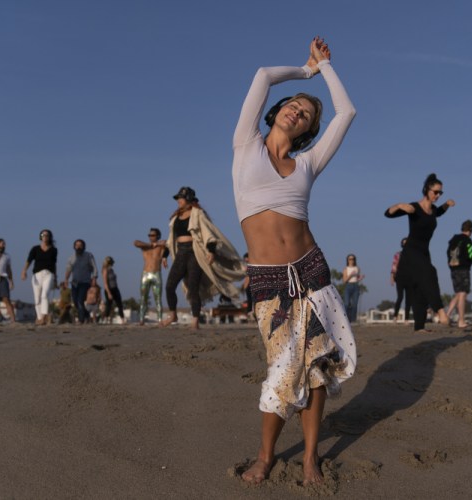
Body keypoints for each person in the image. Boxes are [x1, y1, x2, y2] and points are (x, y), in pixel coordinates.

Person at [233, 37, 357, 485]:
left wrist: (328, 71)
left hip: (312, 270)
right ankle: (265, 457)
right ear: (277, 111)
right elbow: (264, 76)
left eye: (305, 114)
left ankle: (309, 459)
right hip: (268, 281)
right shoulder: (245, 145)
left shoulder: (307, 163)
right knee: (283, 368)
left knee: (318, 369)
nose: (297, 111)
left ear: (306, 131)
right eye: (293, 106)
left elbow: (347, 114)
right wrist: (307, 70)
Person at [163, 186, 246, 330]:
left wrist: (211, 251)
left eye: (180, 198)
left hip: (195, 253)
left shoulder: (198, 214)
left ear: (188, 199)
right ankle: (173, 314)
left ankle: (195, 320)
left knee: (193, 288)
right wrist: (164, 255)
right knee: (170, 286)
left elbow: (209, 234)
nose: (178, 201)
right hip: (180, 253)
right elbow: (170, 239)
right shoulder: (175, 217)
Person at [385, 173, 454, 332]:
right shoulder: (414, 208)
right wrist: (400, 205)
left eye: (440, 193)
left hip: (424, 252)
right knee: (431, 272)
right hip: (410, 251)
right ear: (426, 190)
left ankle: (419, 326)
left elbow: (439, 213)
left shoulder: (434, 209)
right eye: (435, 192)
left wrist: (447, 204)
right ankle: (440, 311)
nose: (438, 195)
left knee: (420, 288)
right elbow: (388, 214)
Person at [445, 220, 472, 328]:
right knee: (463, 293)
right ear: (470, 230)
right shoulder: (468, 240)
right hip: (463, 268)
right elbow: (470, 254)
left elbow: (448, 253)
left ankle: (447, 316)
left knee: (458, 293)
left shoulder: (453, 239)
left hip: (453, 268)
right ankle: (461, 321)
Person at [21, 229, 58, 325]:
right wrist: (24, 271)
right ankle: (39, 317)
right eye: (43, 235)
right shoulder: (35, 249)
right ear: (40, 236)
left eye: (47, 235)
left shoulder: (54, 250)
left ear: (50, 237)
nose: (45, 236)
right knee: (37, 298)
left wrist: (55, 278)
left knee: (44, 295)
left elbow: (54, 264)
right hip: (37, 275)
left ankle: (44, 316)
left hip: (49, 274)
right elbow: (29, 260)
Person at [134, 228, 166, 325]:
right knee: (143, 298)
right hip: (146, 273)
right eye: (149, 235)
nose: (150, 237)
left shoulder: (160, 246)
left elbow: (168, 242)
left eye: (153, 235)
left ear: (157, 236)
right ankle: (141, 319)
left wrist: (157, 244)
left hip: (156, 273)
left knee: (158, 298)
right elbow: (136, 243)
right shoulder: (145, 246)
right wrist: (150, 245)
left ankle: (160, 319)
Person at [64, 239, 98, 324]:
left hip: (85, 282)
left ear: (83, 246)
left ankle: (81, 320)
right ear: (74, 247)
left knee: (80, 300)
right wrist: (66, 280)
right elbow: (68, 270)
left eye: (80, 245)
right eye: (77, 245)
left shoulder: (88, 256)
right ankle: (86, 315)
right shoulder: (71, 258)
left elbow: (94, 268)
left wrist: (94, 278)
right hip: (74, 282)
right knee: (75, 301)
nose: (78, 247)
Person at [390, 238, 411, 322]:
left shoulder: (414, 255)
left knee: (409, 299)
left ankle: (406, 318)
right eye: (404, 243)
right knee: (400, 297)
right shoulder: (398, 254)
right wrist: (392, 277)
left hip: (410, 278)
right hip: (400, 278)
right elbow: (394, 266)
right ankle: (395, 316)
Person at [101, 256, 125, 324]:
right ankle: (105, 319)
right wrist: (109, 293)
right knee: (109, 304)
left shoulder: (112, 270)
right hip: (109, 289)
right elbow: (105, 283)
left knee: (119, 304)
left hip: (115, 288)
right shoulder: (105, 270)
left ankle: (122, 319)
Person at [342, 254, 364, 323]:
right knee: (347, 303)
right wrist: (350, 275)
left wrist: (360, 278)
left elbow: (357, 279)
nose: (352, 260)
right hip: (348, 286)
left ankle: (353, 320)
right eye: (350, 259)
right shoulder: (346, 269)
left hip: (356, 286)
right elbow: (344, 280)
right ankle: (346, 319)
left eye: (353, 259)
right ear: (347, 260)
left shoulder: (357, 268)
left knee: (355, 304)